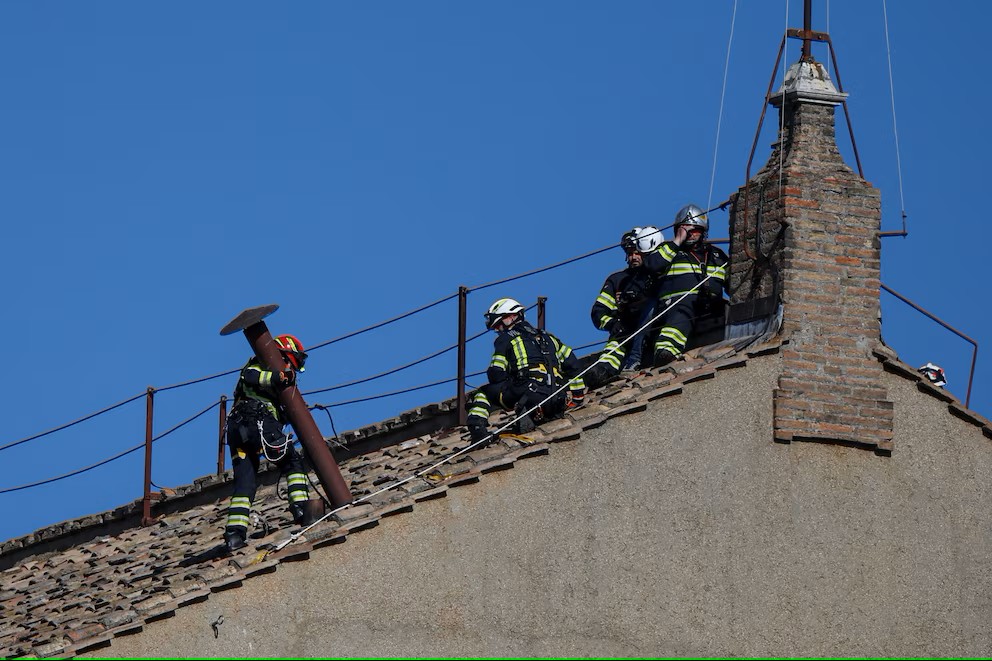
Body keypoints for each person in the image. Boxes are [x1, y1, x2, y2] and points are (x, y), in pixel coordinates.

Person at [222, 334, 311, 553]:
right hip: (257, 421)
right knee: (292, 461)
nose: (294, 368)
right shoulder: (258, 365)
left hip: (236, 430)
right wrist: (278, 377)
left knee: (245, 483)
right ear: (285, 354)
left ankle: (234, 534)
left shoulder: (270, 381)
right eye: (294, 361)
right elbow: (252, 376)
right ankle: (301, 508)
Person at [466, 298, 586, 443]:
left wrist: (512, 378)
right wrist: (578, 397)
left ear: (511, 317)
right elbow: (573, 365)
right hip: (558, 400)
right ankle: (533, 414)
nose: (497, 331)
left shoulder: (505, 339)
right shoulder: (549, 338)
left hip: (528, 394)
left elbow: (495, 374)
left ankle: (478, 432)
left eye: (498, 325)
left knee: (483, 393)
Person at [643, 204, 729, 367]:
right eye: (685, 229)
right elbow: (652, 265)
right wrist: (677, 242)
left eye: (694, 229)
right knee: (685, 306)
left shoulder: (716, 256)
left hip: (709, 310)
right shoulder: (669, 251)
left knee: (728, 310)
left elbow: (733, 283)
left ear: (703, 230)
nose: (690, 233)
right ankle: (665, 350)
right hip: (674, 309)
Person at [587, 226, 664, 386]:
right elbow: (598, 312)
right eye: (629, 254)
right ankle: (602, 373)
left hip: (653, 330)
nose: (634, 257)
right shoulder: (617, 280)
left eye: (637, 253)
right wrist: (613, 324)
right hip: (623, 331)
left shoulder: (657, 274)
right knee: (611, 352)